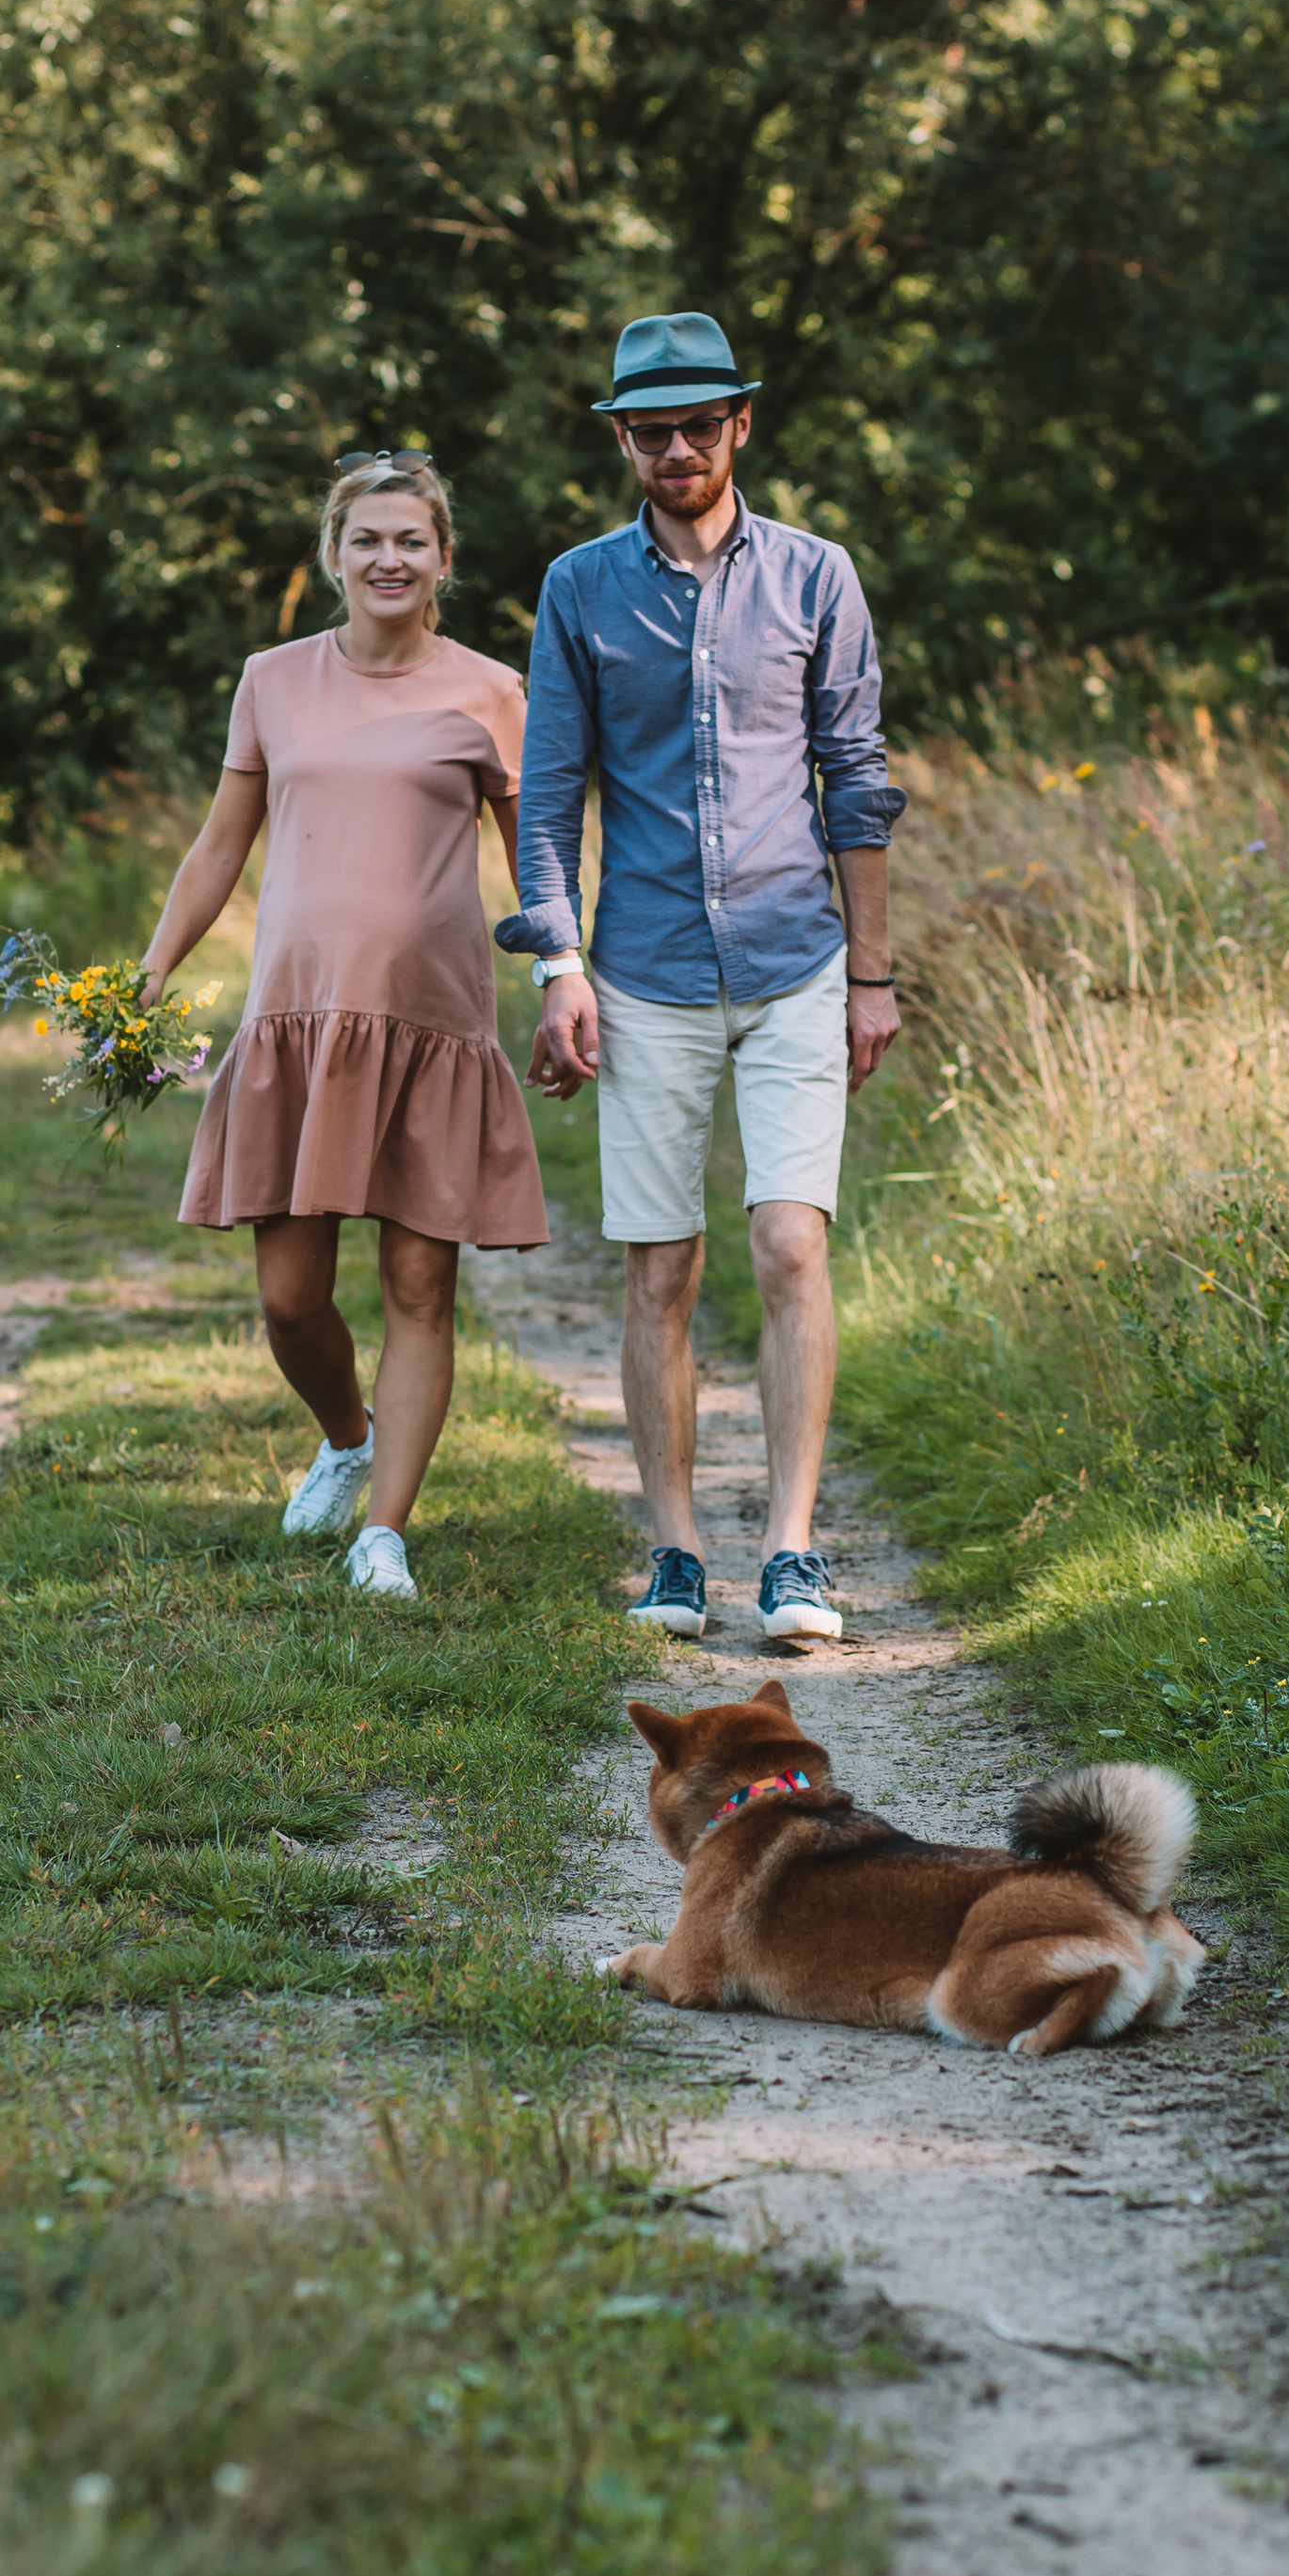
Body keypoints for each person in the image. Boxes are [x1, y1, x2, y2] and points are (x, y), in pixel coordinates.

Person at [501, 310, 903, 1647]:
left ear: (740, 426)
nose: (676, 448)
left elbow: (858, 779)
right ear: (622, 439)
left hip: (798, 959)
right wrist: (560, 963)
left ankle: (790, 1550)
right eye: (649, 430)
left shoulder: (816, 577)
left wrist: (874, 976)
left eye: (698, 425)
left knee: (791, 1244)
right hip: (648, 970)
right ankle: (675, 1550)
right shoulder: (579, 590)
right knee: (660, 1269)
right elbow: (550, 794)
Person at [143, 452, 546, 1602]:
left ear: (443, 560)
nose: (388, 559)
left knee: (421, 1286)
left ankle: (385, 1535)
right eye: (366, 540)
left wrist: (568, 976)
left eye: (410, 541)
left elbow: (538, 861)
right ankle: (347, 1434)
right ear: (333, 554)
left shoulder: (489, 692)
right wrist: (150, 973)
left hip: (430, 1024)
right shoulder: (273, 680)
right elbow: (222, 843)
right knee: (287, 1296)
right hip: (297, 1025)